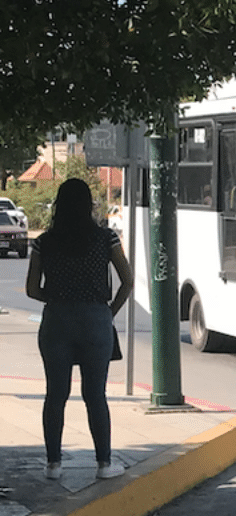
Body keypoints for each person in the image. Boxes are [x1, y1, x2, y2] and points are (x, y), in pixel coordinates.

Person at [25, 178, 134, 481]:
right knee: (95, 395)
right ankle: (104, 464)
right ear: (89, 205)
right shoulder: (105, 239)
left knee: (55, 394)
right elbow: (127, 281)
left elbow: (32, 289)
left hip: (57, 320)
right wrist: (107, 312)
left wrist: (59, 298)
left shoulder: (44, 242)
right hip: (96, 321)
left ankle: (53, 465)